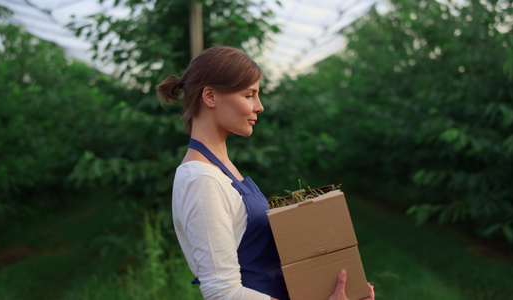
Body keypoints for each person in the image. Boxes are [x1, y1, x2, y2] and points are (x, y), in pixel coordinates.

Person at [156, 46, 375, 300]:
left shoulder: (223, 168)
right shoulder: (201, 180)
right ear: (210, 96)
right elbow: (222, 294)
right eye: (249, 95)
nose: (259, 106)